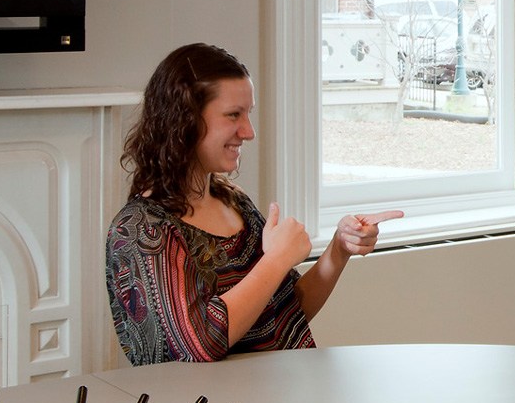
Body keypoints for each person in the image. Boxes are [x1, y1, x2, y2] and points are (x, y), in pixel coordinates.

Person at [106, 43, 401, 365]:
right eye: (234, 115)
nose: (249, 132)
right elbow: (199, 345)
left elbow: (284, 311)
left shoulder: (234, 201)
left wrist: (338, 250)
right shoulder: (141, 228)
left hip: (273, 396)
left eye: (249, 114)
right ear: (184, 119)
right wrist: (276, 260)